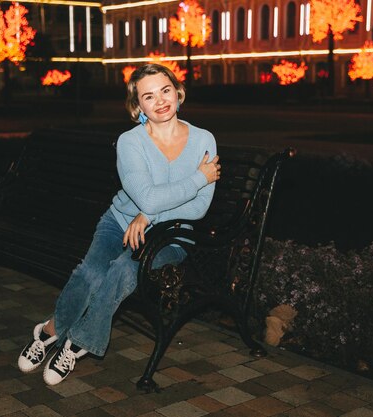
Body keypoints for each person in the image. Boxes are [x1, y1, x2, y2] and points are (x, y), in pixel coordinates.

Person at [17, 63, 221, 385]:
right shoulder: (130, 141)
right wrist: (198, 178)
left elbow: (198, 207)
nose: (161, 101)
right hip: (121, 222)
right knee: (91, 271)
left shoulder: (203, 139)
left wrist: (151, 213)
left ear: (178, 92)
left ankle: (76, 343)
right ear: (138, 106)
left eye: (165, 91)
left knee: (124, 271)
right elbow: (149, 198)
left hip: (172, 238)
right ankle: (48, 332)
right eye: (149, 96)